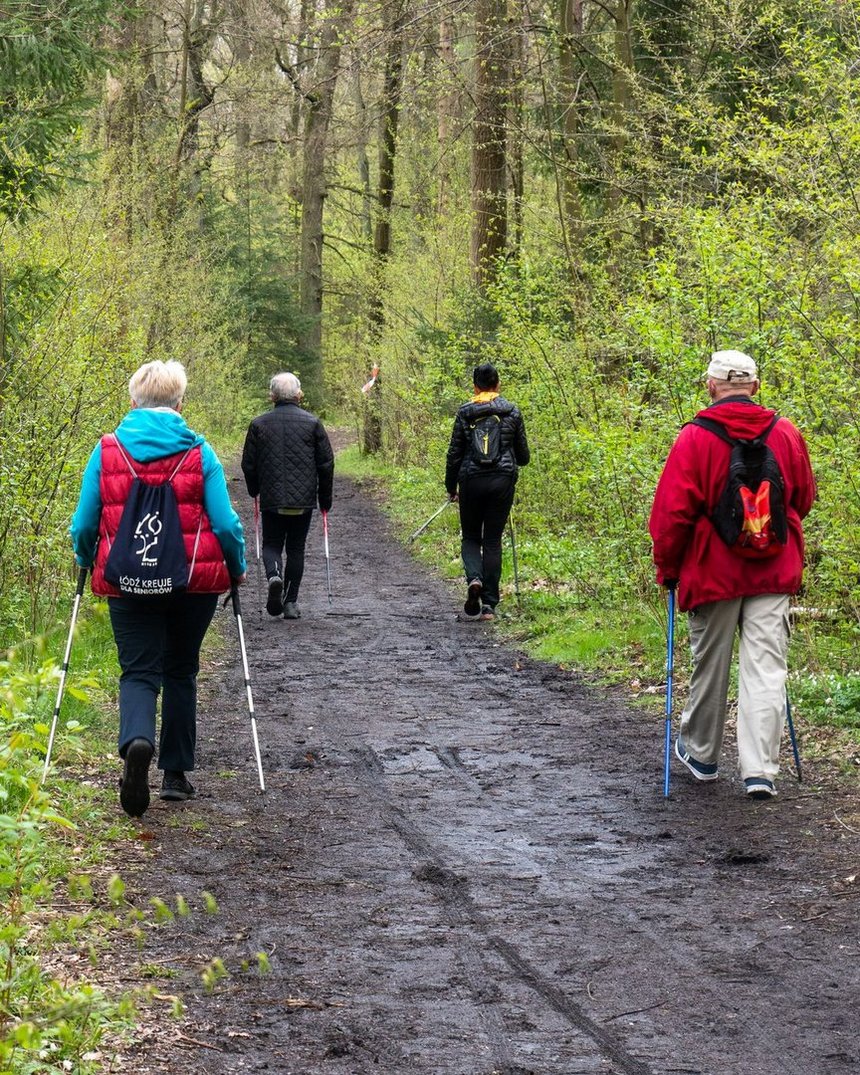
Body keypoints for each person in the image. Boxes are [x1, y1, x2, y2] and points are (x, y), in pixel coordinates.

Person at [70, 360, 247, 818]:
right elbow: (226, 523)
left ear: (133, 402)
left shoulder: (107, 450)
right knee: (181, 669)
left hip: (127, 580)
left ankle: (137, 740)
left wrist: (84, 556)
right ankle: (174, 775)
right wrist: (237, 567)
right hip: (193, 583)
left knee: (138, 671)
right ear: (179, 404)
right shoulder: (199, 451)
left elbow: (86, 522)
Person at [649, 350, 816, 799]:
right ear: (755, 387)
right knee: (766, 671)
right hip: (774, 571)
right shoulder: (785, 433)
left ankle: (702, 755)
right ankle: (760, 771)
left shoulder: (694, 438)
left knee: (711, 665)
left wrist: (668, 568)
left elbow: (672, 514)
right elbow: (803, 496)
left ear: (711, 386)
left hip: (712, 571)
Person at [241, 372, 334, 620]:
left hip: (272, 499)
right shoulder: (313, 423)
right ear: (298, 394)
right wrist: (325, 499)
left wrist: (254, 489)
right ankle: (290, 602)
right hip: (302, 501)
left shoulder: (259, 424)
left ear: (272, 396)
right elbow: (326, 464)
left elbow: (248, 464)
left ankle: (274, 575)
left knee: (272, 543)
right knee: (296, 548)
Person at [445, 362, 530, 621]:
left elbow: (454, 454)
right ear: (498, 384)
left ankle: (474, 578)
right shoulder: (512, 412)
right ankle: (489, 606)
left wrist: (451, 487)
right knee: (492, 540)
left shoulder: (465, 413)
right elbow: (524, 457)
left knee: (471, 537)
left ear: (475, 386)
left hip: (471, 481)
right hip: (501, 482)